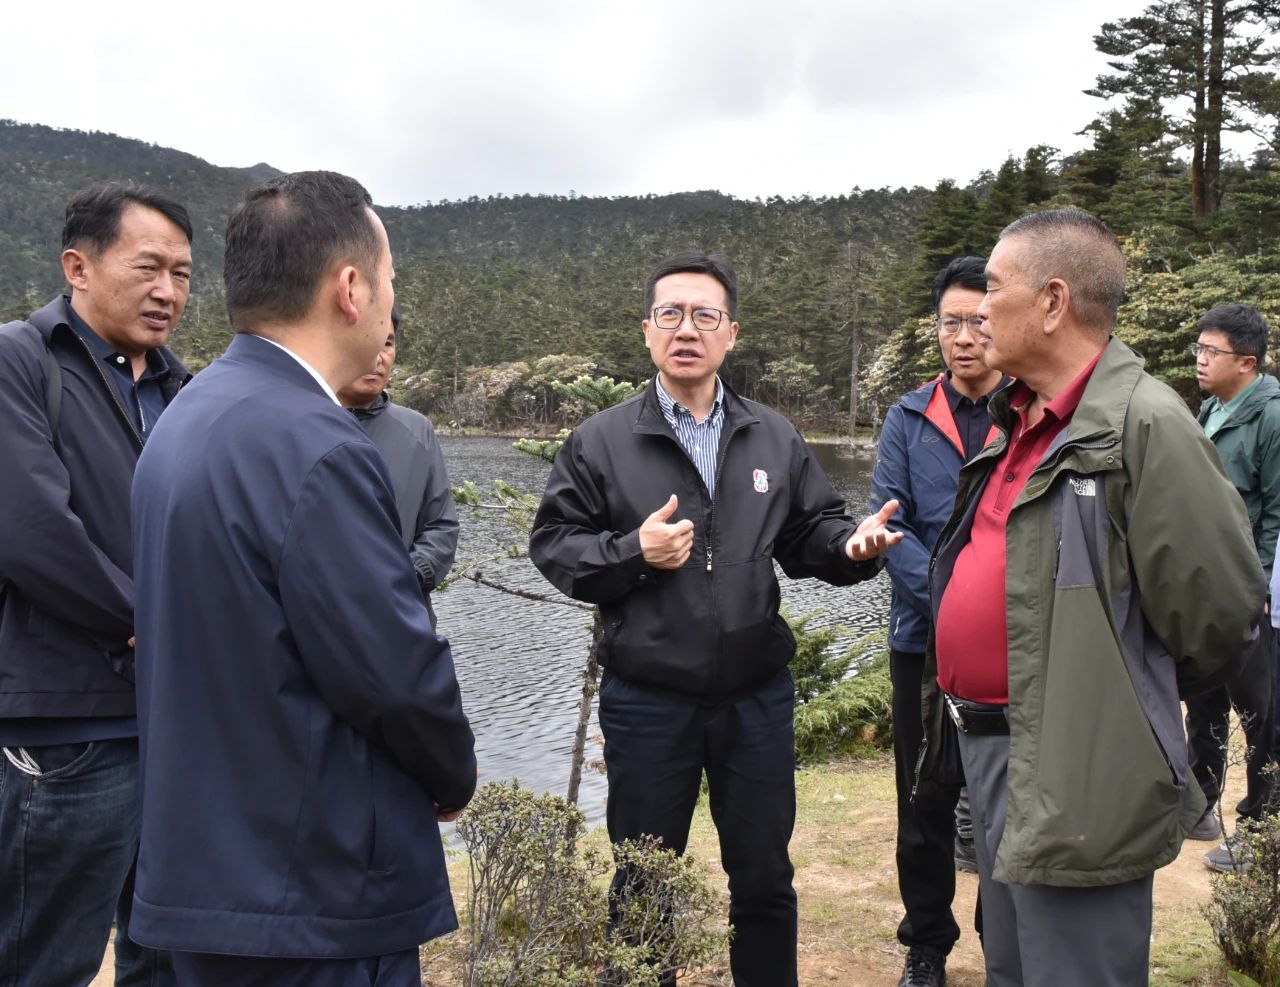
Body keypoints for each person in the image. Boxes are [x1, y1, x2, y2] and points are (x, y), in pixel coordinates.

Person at [129, 171, 476, 987]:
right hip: (312, 888)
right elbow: (392, 672)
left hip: (210, 871)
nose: (391, 304)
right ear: (350, 289)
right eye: (390, 282)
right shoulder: (316, 444)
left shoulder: (187, 415)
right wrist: (450, 772)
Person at [528, 250, 901, 987]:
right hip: (647, 698)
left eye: (705, 315)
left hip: (754, 698)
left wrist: (851, 548)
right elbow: (555, 545)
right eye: (670, 314)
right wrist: (633, 551)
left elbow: (812, 531)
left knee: (763, 877)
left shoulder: (772, 436)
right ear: (646, 330)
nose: (686, 329)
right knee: (644, 880)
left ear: (731, 333)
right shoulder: (601, 440)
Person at [917, 209, 1265, 986]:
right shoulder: (1019, 418)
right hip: (994, 747)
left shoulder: (1147, 425)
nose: (978, 311)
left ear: (1052, 301)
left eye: (993, 290)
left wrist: (1115, 707)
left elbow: (1219, 617)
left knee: (1075, 971)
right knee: (1013, 965)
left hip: (1081, 771)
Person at [0, 181, 192, 987]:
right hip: (68, 725)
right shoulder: (21, 359)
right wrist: (150, 618)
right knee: (41, 959)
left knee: (167, 954)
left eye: (182, 274)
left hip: (172, 723)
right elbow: (30, 527)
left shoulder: (184, 389)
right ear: (77, 266)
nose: (167, 291)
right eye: (148, 267)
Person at [870, 256, 1006, 987]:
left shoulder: (1028, 411)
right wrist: (953, 599)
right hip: (921, 640)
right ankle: (926, 944)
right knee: (923, 794)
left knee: (1004, 796)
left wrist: (985, 604)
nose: (965, 337)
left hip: (1009, 644)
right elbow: (888, 524)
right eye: (951, 322)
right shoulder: (909, 416)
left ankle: (1004, 941)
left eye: (979, 321)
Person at [1187, 303, 1280, 870]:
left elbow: (1275, 513)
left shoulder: (1272, 417)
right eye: (1198, 348)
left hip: (1248, 587)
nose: (1199, 359)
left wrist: (1260, 588)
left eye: (1210, 351)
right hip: (1207, 583)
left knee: (1262, 712)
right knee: (1204, 697)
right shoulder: (1212, 408)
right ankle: (1198, 803)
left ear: (1246, 362)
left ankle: (1260, 829)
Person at [337, 304, 458, 628]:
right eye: (366, 340)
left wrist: (403, 578)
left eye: (387, 343)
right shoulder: (302, 422)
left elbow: (441, 526)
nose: (377, 357)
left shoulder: (417, 429)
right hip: (323, 625)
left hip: (404, 624)